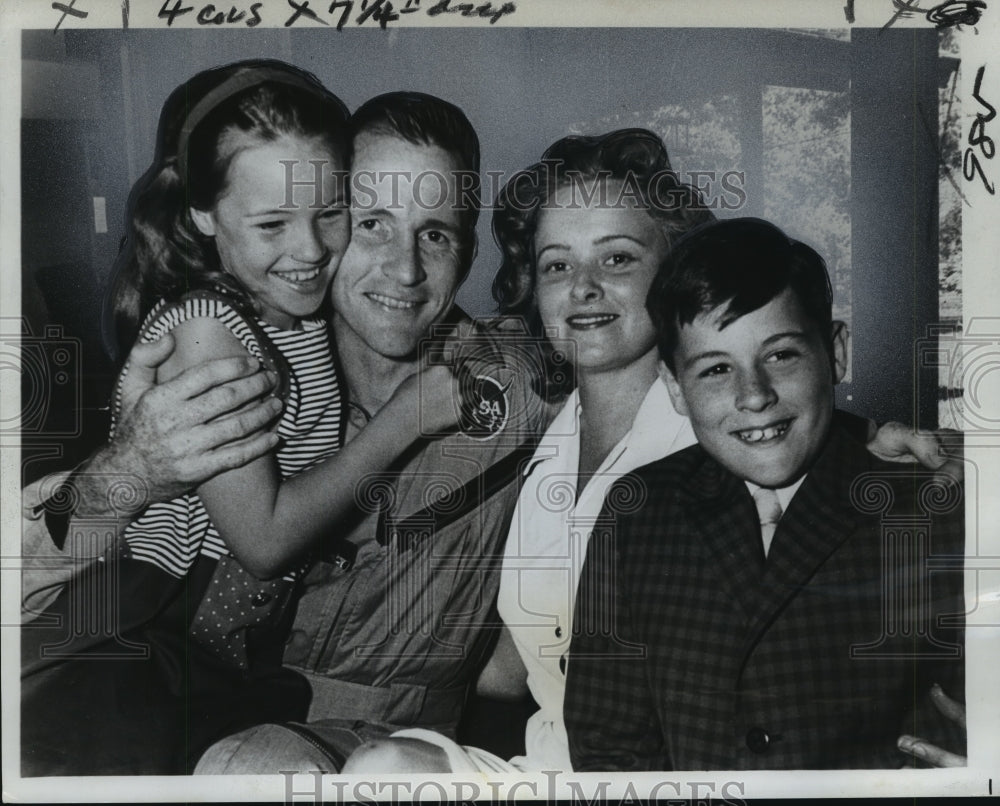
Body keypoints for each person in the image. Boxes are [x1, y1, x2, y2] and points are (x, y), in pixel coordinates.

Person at [338, 131, 962, 774]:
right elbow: (507, 671)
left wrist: (863, 435)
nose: (582, 288)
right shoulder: (538, 431)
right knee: (378, 771)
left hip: (670, 771)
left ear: (674, 271)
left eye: (616, 260)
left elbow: (782, 413)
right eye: (557, 265)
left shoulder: (719, 437)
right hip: (548, 762)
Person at [21, 63, 460, 776]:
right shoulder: (208, 326)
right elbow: (262, 541)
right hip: (141, 635)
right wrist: (405, 421)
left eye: (330, 213)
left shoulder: (297, 315)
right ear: (202, 215)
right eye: (271, 223)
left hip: (227, 649)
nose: (311, 249)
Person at [191, 92, 552, 773]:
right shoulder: (249, 369)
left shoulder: (515, 390)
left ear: (468, 251)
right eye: (373, 224)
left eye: (435, 234)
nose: (406, 269)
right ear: (324, 230)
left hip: (392, 752)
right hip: (201, 708)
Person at [563, 217, 966, 770]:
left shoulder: (932, 507)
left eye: (781, 356)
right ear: (675, 389)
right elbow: (607, 746)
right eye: (714, 370)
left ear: (836, 352)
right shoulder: (640, 510)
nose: (753, 396)